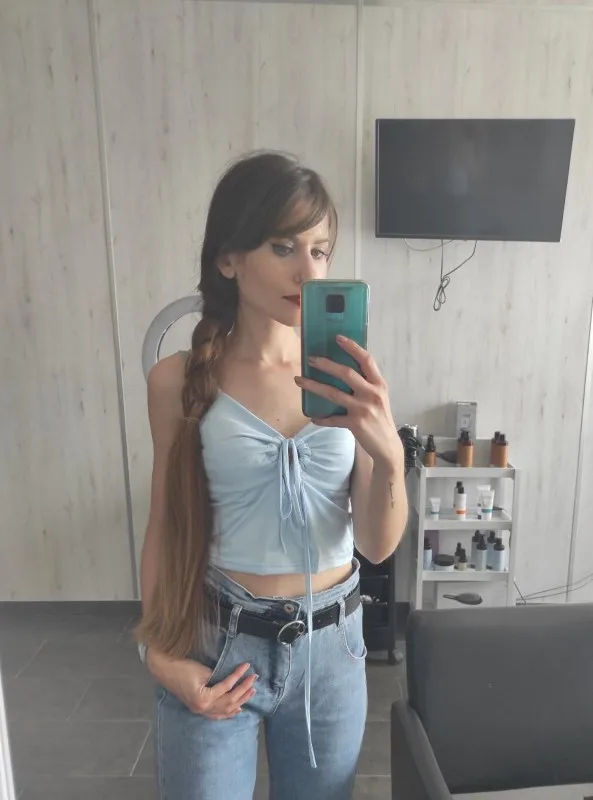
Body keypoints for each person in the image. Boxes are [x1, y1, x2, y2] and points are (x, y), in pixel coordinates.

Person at [135, 151, 408, 800]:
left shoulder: (348, 379)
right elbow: (165, 524)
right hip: (216, 642)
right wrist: (159, 654)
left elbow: (376, 545)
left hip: (333, 648)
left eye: (319, 250)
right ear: (229, 259)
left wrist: (389, 455)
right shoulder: (177, 380)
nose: (307, 270)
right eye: (283, 247)